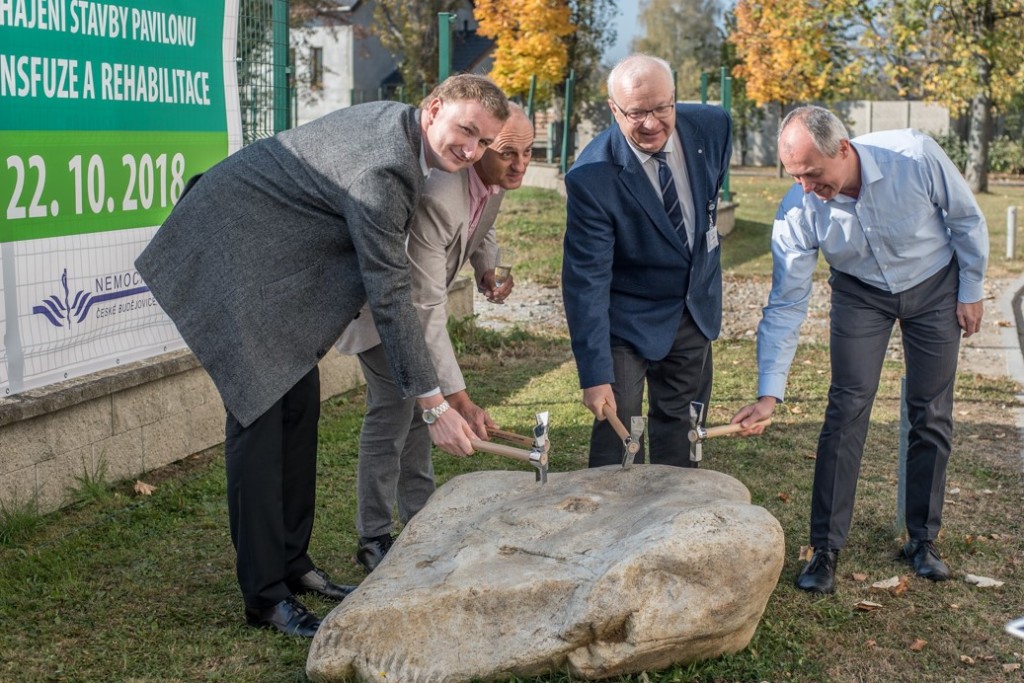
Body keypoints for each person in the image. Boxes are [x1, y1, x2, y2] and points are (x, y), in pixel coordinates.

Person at [134, 74, 510, 636]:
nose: (472, 150)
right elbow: (390, 293)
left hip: (268, 261)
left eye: (483, 142)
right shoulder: (385, 170)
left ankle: (292, 563)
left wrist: (436, 396)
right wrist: (433, 406)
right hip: (225, 250)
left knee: (299, 407)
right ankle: (265, 596)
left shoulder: (403, 130)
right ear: (433, 109)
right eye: (466, 131)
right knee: (260, 422)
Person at [731, 105, 989, 594]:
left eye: (813, 174)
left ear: (843, 150)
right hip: (860, 292)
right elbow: (785, 303)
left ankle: (923, 539)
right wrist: (770, 393)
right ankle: (824, 548)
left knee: (931, 411)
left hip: (934, 284)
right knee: (846, 407)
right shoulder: (798, 207)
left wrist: (970, 288)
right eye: (795, 176)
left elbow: (965, 218)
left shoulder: (913, 155)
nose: (806, 187)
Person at [335, 105, 535, 573]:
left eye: (529, 152)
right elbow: (425, 308)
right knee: (396, 410)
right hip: (382, 311)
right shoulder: (441, 194)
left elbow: (479, 223)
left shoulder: (493, 178)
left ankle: (420, 520)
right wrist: (457, 398)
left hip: (413, 306)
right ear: (483, 147)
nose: (520, 164)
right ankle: (374, 537)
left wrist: (486, 265)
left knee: (421, 416)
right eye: (508, 153)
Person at [561, 54, 732, 468]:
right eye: (637, 113)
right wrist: (595, 375)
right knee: (618, 430)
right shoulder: (592, 176)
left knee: (682, 426)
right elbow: (587, 280)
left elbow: (707, 204)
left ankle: (673, 522)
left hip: (693, 309)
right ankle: (613, 523)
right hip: (627, 318)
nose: (652, 123)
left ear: (675, 98)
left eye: (662, 108)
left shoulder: (713, 127)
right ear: (613, 109)